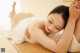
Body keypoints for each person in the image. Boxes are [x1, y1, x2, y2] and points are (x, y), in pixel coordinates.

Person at [7, 1, 80, 53]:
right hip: (22, 21)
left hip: (33, 17)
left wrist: (76, 16)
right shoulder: (34, 29)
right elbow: (60, 50)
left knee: (30, 15)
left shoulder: (55, 25)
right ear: (48, 14)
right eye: (50, 21)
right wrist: (72, 19)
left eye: (57, 28)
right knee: (13, 19)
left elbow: (71, 42)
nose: (50, 28)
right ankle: (13, 10)